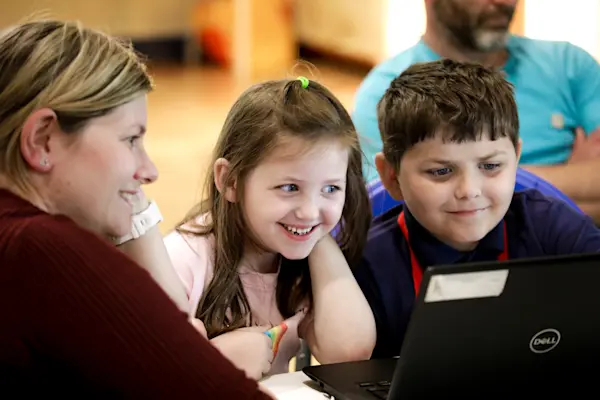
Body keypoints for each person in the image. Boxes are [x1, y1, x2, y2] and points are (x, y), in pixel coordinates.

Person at [0, 19, 274, 398]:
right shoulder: (43, 252)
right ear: (42, 140)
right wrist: (214, 360)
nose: (149, 171)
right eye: (130, 140)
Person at [353, 59, 600, 359]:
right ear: (391, 176)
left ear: (516, 157)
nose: (470, 190)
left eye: (491, 166)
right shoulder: (367, 263)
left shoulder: (550, 226)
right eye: (441, 172)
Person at [164, 77, 376, 379]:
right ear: (230, 180)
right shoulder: (181, 261)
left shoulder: (303, 259)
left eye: (330, 188)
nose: (309, 210)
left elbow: (349, 352)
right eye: (289, 187)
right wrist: (214, 360)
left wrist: (318, 239)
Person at [353, 0, 600, 222]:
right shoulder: (386, 94)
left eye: (492, 165)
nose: (504, 2)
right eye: (441, 171)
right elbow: (397, 215)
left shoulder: (571, 66)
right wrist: (569, 181)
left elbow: (458, 210)